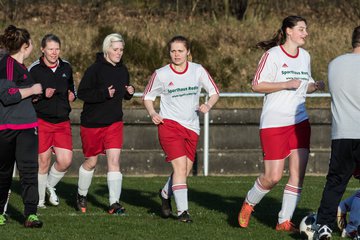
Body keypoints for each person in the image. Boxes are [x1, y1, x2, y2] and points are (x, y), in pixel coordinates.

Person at [237, 16, 325, 232]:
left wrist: (315, 86)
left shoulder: (305, 56)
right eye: (301, 29)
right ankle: (249, 202)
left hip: (299, 121)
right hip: (274, 122)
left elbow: (303, 86)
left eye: (306, 29)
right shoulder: (272, 55)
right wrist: (285, 83)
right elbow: (256, 86)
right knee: (272, 177)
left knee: (298, 173)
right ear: (288, 31)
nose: (306, 33)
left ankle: (284, 221)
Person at [143, 35, 220, 223]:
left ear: (188, 52)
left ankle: (164, 193)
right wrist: (153, 112)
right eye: (173, 51)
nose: (176, 55)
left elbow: (214, 92)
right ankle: (183, 211)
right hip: (169, 126)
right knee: (179, 167)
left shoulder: (197, 70)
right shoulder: (161, 74)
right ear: (169, 52)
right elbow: (147, 96)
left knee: (185, 170)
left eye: (180, 51)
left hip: (192, 127)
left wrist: (207, 106)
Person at [76, 33, 135, 214]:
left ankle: (114, 203)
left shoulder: (123, 70)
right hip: (92, 123)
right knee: (91, 162)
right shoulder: (94, 70)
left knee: (114, 161)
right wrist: (103, 93)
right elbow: (82, 93)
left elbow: (122, 92)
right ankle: (81, 194)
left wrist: (129, 93)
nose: (119, 53)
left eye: (121, 50)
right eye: (115, 49)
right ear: (106, 50)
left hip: (114, 122)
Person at [314, 26, 360, 240]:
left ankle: (323, 226)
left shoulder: (335, 64)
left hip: (342, 133)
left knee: (335, 183)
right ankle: (355, 226)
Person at [0, 25, 43, 227]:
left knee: (28, 171)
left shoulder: (23, 68)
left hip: (27, 126)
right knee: (3, 172)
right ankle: (0, 213)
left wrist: (34, 96)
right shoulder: (6, 65)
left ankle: (31, 214)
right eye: (31, 42)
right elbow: (8, 96)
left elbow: (20, 94)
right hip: (7, 128)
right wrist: (33, 89)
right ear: (25, 45)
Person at [28, 34, 76, 208]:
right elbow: (27, 95)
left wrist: (73, 95)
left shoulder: (66, 67)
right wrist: (41, 95)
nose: (54, 53)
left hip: (62, 121)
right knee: (44, 161)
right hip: (42, 121)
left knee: (65, 161)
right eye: (50, 49)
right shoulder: (34, 69)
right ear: (42, 49)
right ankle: (40, 201)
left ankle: (49, 185)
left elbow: (72, 87)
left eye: (57, 49)